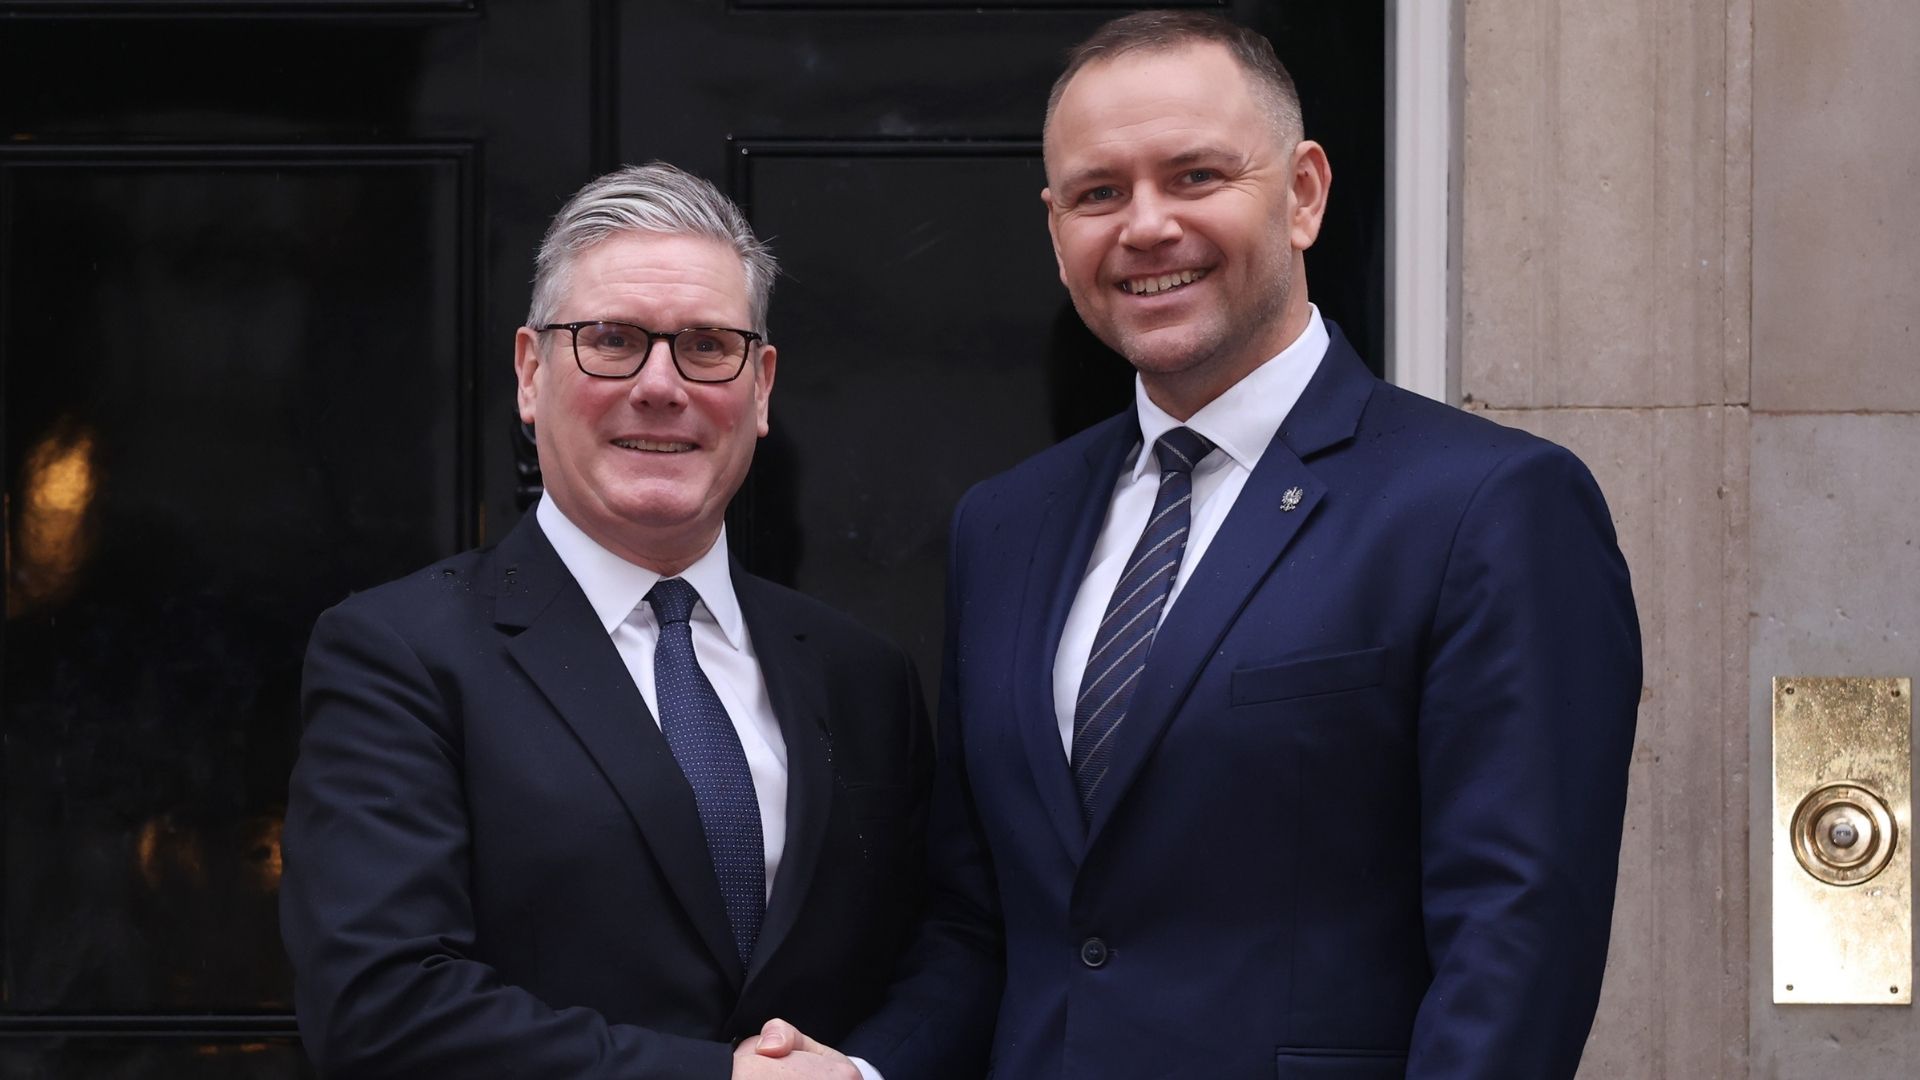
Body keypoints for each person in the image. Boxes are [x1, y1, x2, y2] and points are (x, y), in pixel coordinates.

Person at [754, 10, 1642, 1079]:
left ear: (1304, 193)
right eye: (1098, 193)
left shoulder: (1490, 506)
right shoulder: (1007, 524)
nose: (1144, 226)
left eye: (1195, 176)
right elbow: (984, 923)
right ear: (1054, 229)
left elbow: (1515, 947)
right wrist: (861, 1072)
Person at [280, 162, 931, 1079]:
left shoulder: (861, 676)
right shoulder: (400, 655)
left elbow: (942, 947)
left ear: (762, 386)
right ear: (529, 373)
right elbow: (381, 1007)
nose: (661, 385)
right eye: (613, 340)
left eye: (707, 345)